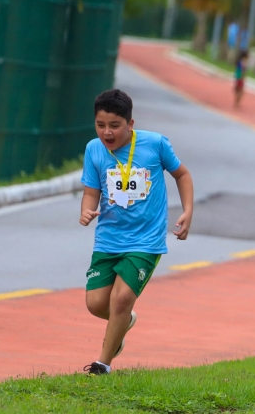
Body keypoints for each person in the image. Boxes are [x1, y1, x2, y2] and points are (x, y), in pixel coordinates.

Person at [79, 90, 194, 375]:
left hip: (146, 240)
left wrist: (188, 210)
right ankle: (124, 321)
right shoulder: (94, 149)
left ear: (130, 124)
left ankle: (103, 364)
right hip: (108, 239)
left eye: (114, 125)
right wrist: (86, 210)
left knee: (121, 299)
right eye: (100, 125)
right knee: (96, 304)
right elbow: (91, 191)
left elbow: (182, 174)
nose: (107, 132)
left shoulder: (155, 144)